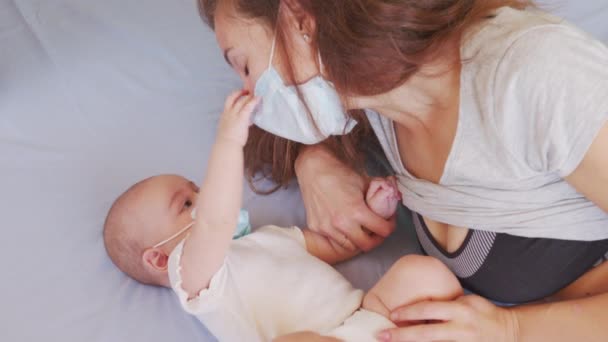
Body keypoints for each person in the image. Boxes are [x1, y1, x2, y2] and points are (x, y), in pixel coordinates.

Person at [198, 0, 608, 340]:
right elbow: (259, 135)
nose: (247, 95)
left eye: (246, 67)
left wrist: (512, 329)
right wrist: (315, 163)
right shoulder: (382, 102)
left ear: (301, 19)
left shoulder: (542, 81)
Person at [102, 91, 463, 341]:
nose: (202, 197)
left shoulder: (268, 238)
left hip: (366, 319)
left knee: (424, 274)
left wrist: (372, 209)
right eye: (185, 203)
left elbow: (332, 243)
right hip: (312, 338)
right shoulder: (194, 279)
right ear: (159, 258)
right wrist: (229, 143)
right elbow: (215, 221)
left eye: (198, 189)